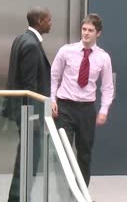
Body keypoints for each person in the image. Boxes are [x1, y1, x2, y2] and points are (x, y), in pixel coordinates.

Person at [50, 13, 114, 186]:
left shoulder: (103, 57)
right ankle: (64, 192)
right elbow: (54, 76)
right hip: (65, 107)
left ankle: (82, 193)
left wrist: (103, 109)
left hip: (86, 109)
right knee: (63, 151)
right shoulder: (66, 50)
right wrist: (52, 99)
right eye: (84, 29)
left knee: (85, 153)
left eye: (90, 30)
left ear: (98, 33)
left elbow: (107, 87)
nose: (86, 33)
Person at [1, 7, 52, 202]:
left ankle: (20, 197)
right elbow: (29, 85)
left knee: (26, 158)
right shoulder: (31, 44)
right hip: (30, 114)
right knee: (29, 159)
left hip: (24, 113)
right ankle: (19, 198)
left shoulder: (21, 39)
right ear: (39, 21)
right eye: (48, 20)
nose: (51, 23)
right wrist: (34, 118)